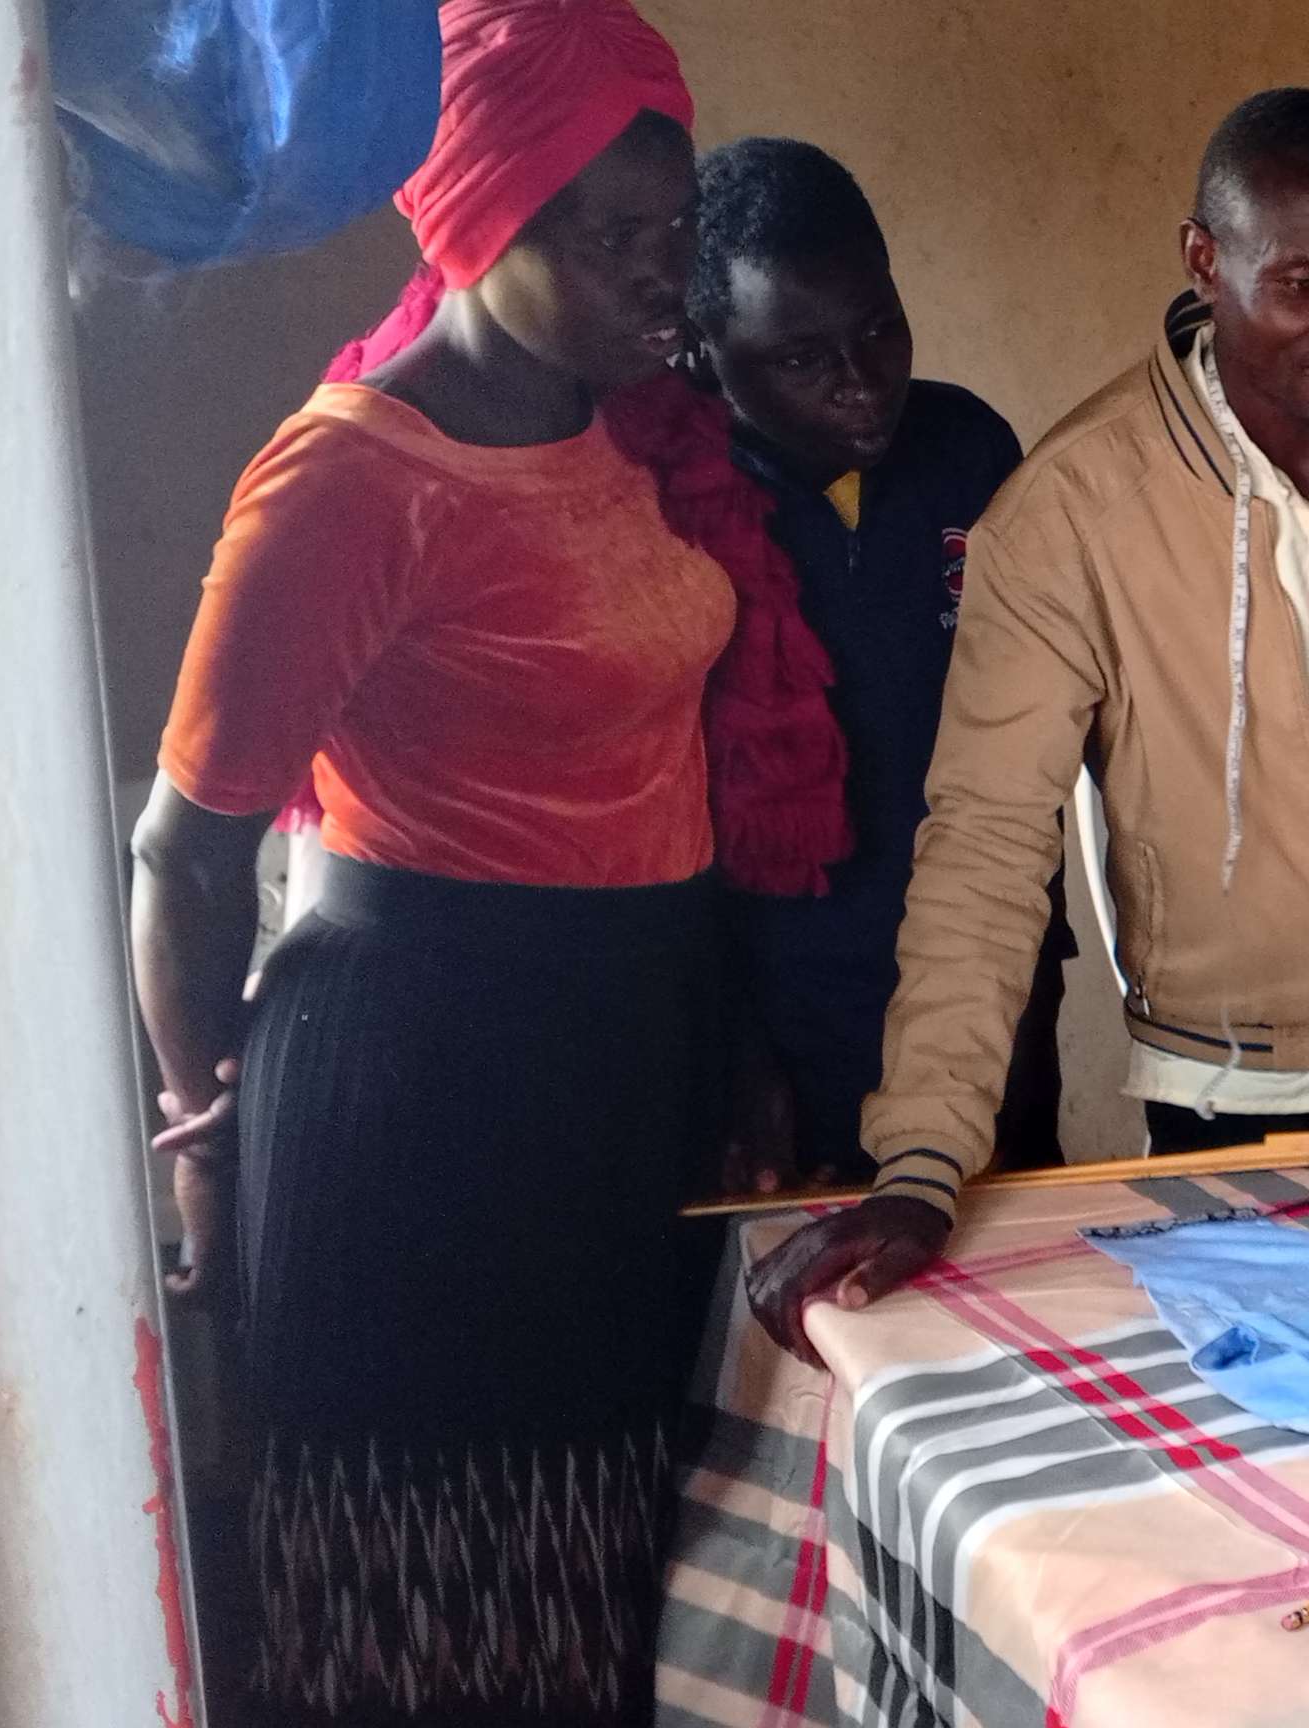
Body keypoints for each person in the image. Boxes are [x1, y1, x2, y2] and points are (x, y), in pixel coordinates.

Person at [124, 2, 802, 1720]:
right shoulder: (352, 479)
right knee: (439, 1613)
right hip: (420, 1110)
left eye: (677, 232)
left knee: (594, 1584)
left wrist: (716, 1043)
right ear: (484, 218)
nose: (669, 278)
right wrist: (204, 1139)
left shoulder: (627, 440)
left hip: (610, 1076)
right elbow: (181, 853)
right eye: (615, 238)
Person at [740, 89, 1309, 1357]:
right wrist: (921, 1159)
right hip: (1226, 1095)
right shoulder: (1067, 514)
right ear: (1203, 262)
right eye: (1306, 284)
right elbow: (987, 848)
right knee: (1280, 1447)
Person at [689, 135, 1076, 1186]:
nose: (862, 384)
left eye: (879, 329)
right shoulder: (679, 509)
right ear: (705, 352)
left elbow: (1030, 755)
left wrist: (1032, 1017)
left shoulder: (970, 452)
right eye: (803, 359)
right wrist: (737, 1061)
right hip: (776, 1015)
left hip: (988, 981)